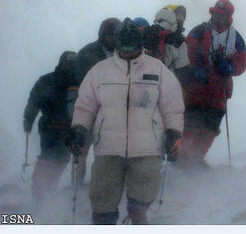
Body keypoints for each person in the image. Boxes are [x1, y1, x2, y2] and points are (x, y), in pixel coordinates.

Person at [69, 18, 184, 225]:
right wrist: (79, 128)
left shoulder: (158, 70)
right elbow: (85, 105)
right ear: (117, 45)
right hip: (108, 149)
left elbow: (172, 105)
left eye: (133, 47)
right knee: (102, 204)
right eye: (124, 47)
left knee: (139, 204)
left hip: (148, 149)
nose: (128, 52)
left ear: (140, 45)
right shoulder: (100, 71)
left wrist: (174, 134)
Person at [180, 0, 246, 168]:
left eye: (222, 15)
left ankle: (197, 158)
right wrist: (195, 70)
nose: (218, 18)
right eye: (216, 14)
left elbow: (242, 62)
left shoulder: (236, 38)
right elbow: (185, 54)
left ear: (229, 17)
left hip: (220, 91)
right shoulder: (199, 31)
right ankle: (184, 159)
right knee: (190, 125)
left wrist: (230, 68)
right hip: (196, 88)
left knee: (210, 128)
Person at [23, 51, 77, 199]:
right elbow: (34, 102)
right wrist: (28, 120)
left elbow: (33, 102)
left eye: (72, 64)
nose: (69, 67)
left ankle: (47, 191)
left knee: (60, 160)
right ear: (61, 63)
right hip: (51, 127)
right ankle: (40, 192)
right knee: (49, 159)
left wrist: (28, 121)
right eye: (67, 63)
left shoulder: (75, 83)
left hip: (66, 128)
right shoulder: (49, 81)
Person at [71, 17, 120, 182]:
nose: (113, 39)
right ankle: (76, 183)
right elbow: (77, 81)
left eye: (116, 35)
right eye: (110, 35)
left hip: (113, 110)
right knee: (82, 148)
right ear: (103, 35)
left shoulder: (122, 53)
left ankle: (104, 184)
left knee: (109, 151)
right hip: (91, 107)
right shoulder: (88, 52)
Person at [143, 7, 192, 87]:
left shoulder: (144, 34)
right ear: (173, 20)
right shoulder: (179, 41)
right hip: (166, 84)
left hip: (143, 82)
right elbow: (183, 70)